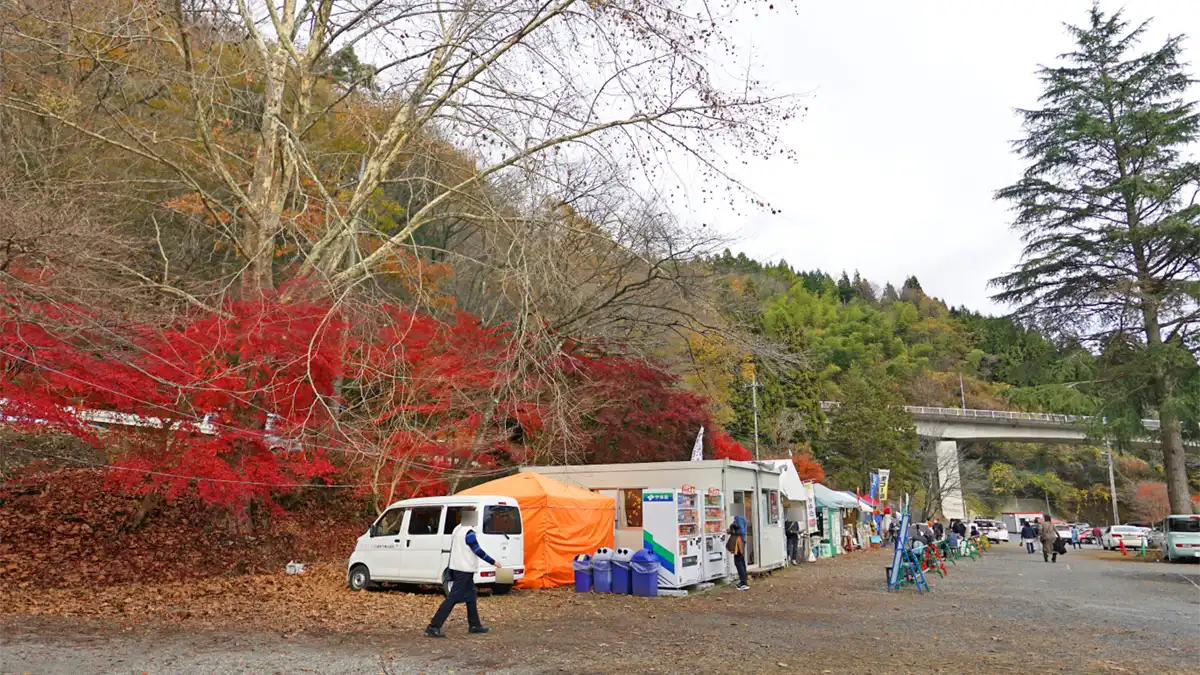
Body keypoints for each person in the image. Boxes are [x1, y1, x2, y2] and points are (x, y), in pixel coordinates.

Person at [425, 509, 501, 638]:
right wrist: (493, 562)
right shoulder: (469, 533)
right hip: (464, 569)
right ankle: (433, 626)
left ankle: (474, 625)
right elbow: (477, 550)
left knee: (471, 596)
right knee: (452, 598)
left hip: (458, 567)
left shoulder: (458, 529)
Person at [729, 514, 749, 590]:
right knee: (741, 561)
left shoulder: (738, 517)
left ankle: (743, 583)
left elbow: (741, 531)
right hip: (741, 541)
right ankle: (744, 581)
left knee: (738, 562)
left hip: (739, 542)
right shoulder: (742, 516)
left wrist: (732, 531)